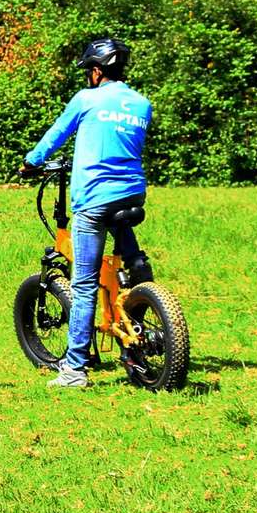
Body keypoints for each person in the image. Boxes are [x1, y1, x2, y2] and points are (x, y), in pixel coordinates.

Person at [21, 38, 153, 389]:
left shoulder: (87, 99)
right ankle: (142, 297)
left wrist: (31, 163)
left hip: (94, 197)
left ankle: (74, 369)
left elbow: (56, 135)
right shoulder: (141, 104)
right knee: (130, 257)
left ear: (96, 71)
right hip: (132, 193)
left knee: (83, 286)